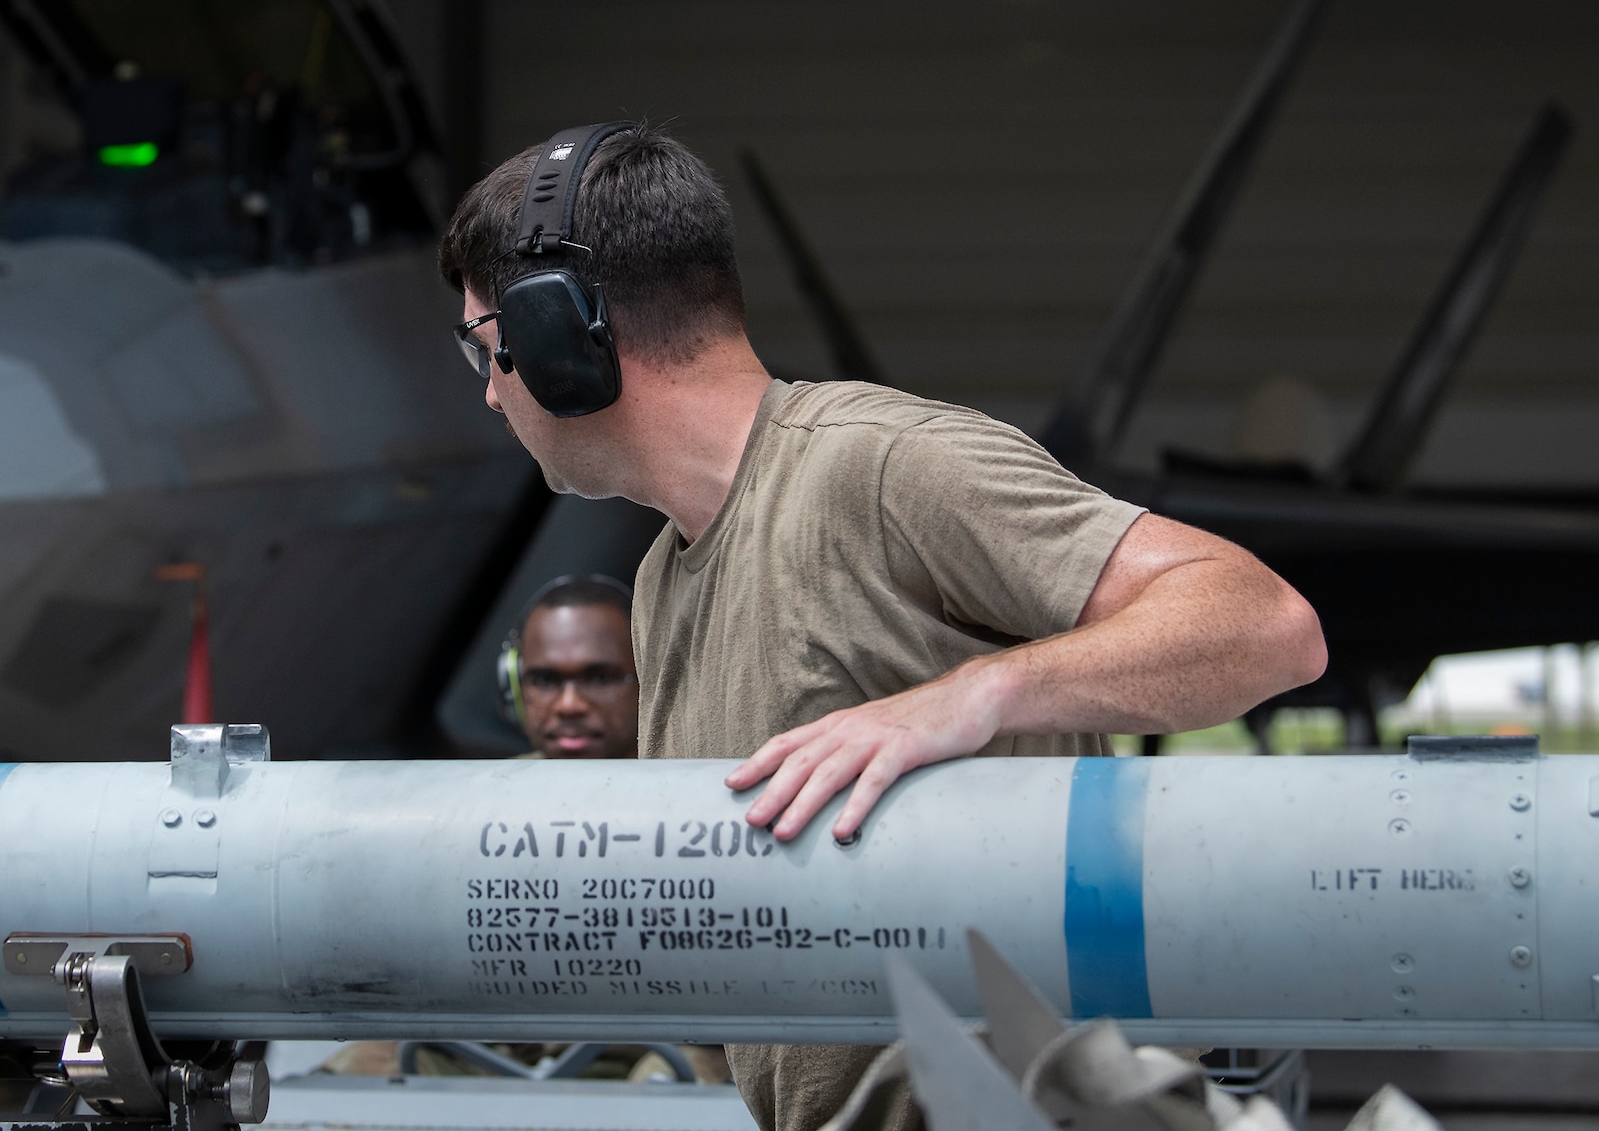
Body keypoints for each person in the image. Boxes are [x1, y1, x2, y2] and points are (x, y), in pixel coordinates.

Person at [439, 123, 1326, 1131]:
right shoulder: (660, 581)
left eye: (486, 347)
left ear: (560, 338)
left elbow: (1264, 622)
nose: (486, 389)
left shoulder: (879, 467)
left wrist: (971, 697)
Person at [499, 575, 640, 760]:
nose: (569, 705)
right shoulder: (491, 785)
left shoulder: (686, 782)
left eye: (600, 679)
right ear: (513, 686)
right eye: (544, 680)